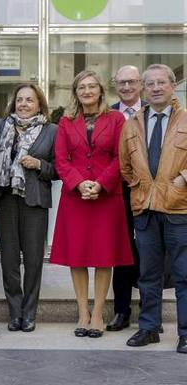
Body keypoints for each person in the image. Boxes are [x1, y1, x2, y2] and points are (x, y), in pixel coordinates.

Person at [50, 70, 133, 339]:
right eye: (81, 87)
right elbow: (61, 159)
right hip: (75, 198)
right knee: (78, 257)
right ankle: (82, 312)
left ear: (100, 91)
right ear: (75, 93)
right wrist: (79, 183)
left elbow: (121, 157)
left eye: (91, 86)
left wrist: (99, 184)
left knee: (103, 257)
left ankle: (98, 314)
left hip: (106, 197)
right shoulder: (65, 121)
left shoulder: (117, 119)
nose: (87, 91)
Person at [120, 64, 187, 354]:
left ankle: (185, 334)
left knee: (184, 274)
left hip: (179, 207)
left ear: (173, 86)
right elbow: (125, 165)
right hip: (145, 208)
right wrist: (138, 185)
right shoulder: (133, 122)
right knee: (148, 274)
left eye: (162, 82)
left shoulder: (186, 119)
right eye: (151, 84)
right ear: (143, 89)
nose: (156, 87)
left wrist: (183, 180)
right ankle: (148, 328)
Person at [0, 84, 57, 333]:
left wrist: (39, 164)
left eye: (30, 100)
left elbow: (59, 170)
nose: (23, 104)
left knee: (33, 261)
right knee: (9, 261)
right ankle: (15, 312)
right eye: (19, 99)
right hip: (6, 199)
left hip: (34, 201)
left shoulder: (52, 131)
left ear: (39, 104)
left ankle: (29, 313)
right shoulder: (2, 128)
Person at [107, 65, 146, 332]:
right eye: (122, 83)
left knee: (150, 251)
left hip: (148, 191)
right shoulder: (108, 114)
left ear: (141, 83)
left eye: (132, 82)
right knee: (121, 252)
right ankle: (121, 311)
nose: (127, 87)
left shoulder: (155, 111)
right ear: (115, 85)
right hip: (117, 192)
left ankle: (149, 310)